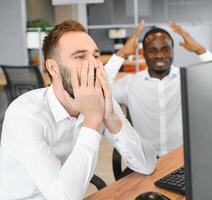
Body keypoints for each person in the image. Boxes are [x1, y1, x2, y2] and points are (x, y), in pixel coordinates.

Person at [0, 20, 156, 200]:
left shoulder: (101, 100)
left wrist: (112, 119)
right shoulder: (24, 114)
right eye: (80, 57)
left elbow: (148, 164)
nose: (95, 65)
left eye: (96, 56)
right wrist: (92, 120)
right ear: (53, 68)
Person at [108, 21, 212, 156]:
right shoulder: (130, 83)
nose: (160, 55)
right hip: (146, 161)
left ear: (173, 51)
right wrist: (122, 53)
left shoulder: (187, 78)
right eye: (152, 50)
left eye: (165, 49)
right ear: (144, 53)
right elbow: (96, 92)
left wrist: (200, 50)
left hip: (181, 160)